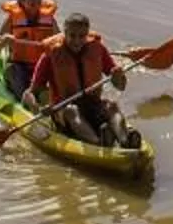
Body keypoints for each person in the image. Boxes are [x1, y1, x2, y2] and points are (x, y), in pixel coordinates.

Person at [23, 13, 129, 148]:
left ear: (87, 34)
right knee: (71, 110)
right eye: (72, 36)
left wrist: (118, 76)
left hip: (92, 105)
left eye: (82, 36)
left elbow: (121, 87)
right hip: (64, 111)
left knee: (112, 106)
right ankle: (98, 143)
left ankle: (125, 140)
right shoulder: (50, 55)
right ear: (64, 33)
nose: (77, 41)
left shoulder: (98, 49)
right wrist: (39, 107)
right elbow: (32, 92)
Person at [0, 0, 58, 101]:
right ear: (22, 2)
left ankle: (45, 98)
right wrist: (8, 38)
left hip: (40, 63)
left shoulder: (48, 18)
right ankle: (25, 98)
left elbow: (59, 38)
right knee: (17, 80)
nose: (35, 1)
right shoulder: (13, 17)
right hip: (19, 63)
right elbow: (1, 36)